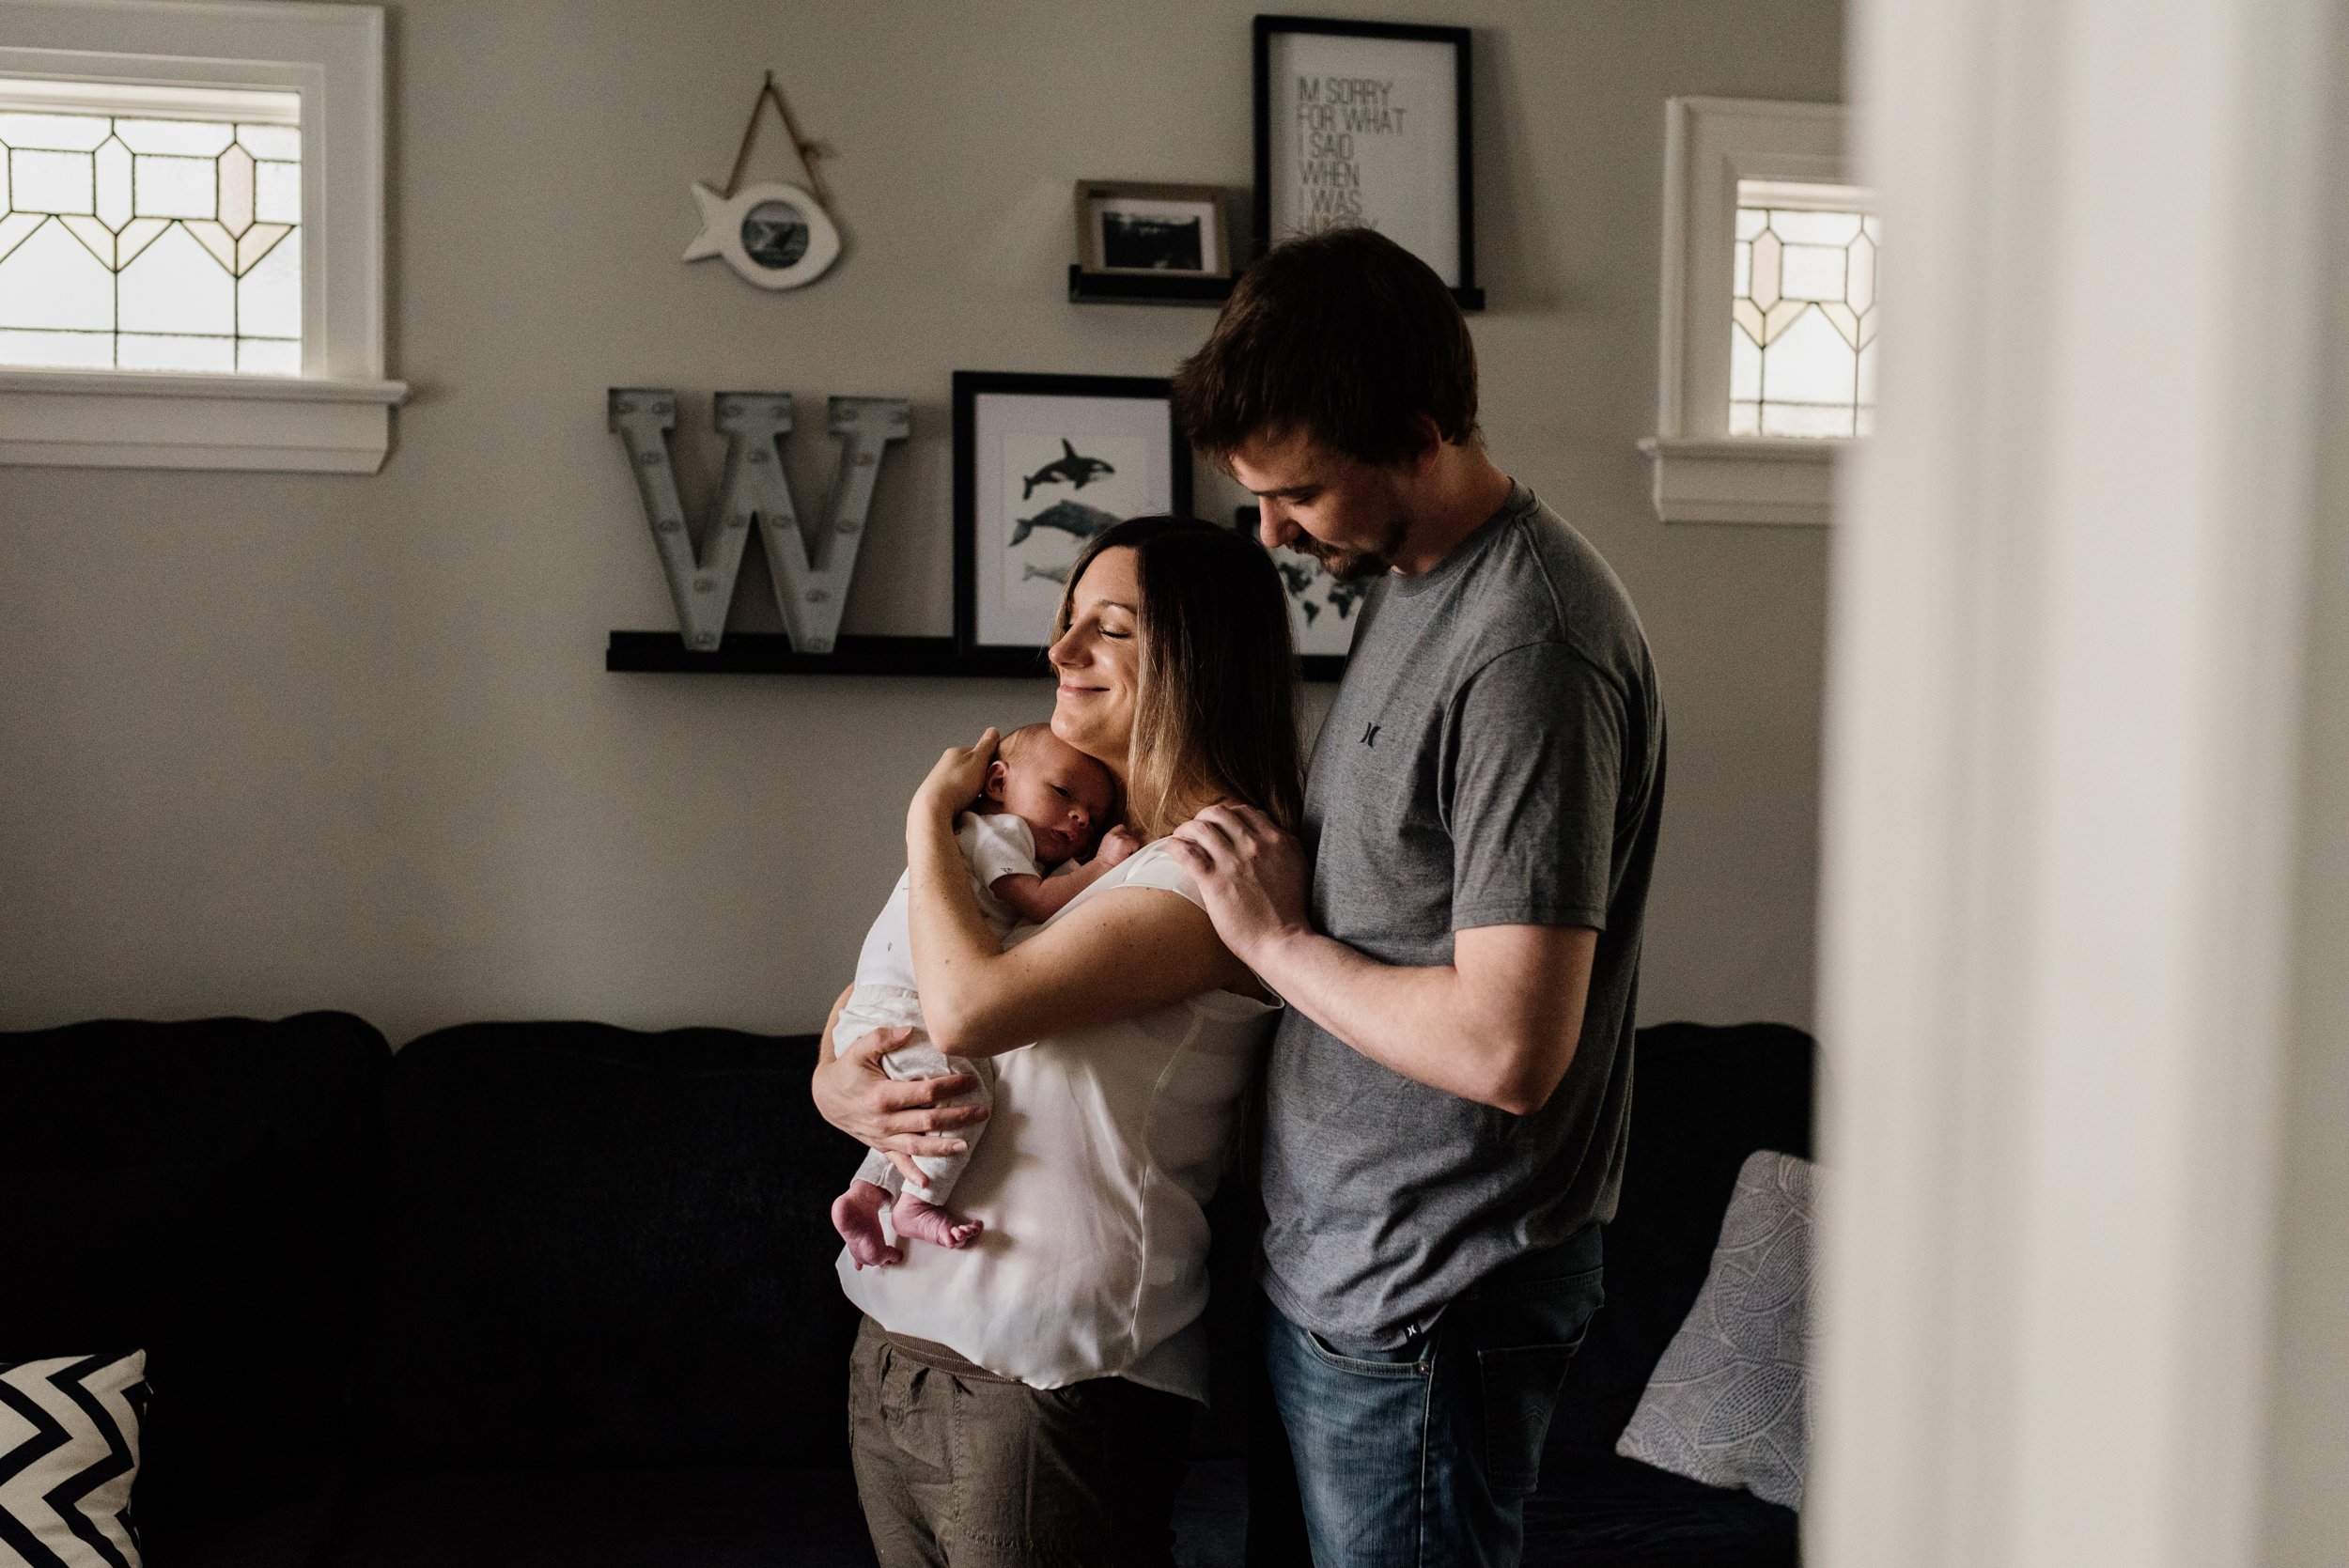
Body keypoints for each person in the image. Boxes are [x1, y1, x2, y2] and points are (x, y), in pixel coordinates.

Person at [1162, 226, 1667, 1568]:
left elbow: (1509, 1047)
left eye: (1302, 494)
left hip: (1433, 1305)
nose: (1273, 531)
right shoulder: (1410, 577)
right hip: (1339, 1279)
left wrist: (1270, 938)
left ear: (1423, 432)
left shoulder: (1529, 648)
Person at [810, 517, 1304, 1568]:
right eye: (1065, 624)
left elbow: (969, 1007)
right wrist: (835, 1085)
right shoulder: (1065, 842)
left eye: (1108, 629)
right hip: (898, 1342)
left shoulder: (1212, 868)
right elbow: (883, 983)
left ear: (1198, 656)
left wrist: (922, 821)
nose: (1061, 653)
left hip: (1048, 1374)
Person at [829, 722, 1138, 1268]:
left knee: (916, 1109)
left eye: (1092, 814)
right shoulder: (998, 834)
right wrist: (1103, 866)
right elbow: (1041, 902)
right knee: (964, 1094)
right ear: (997, 782)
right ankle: (918, 1205)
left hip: (877, 1009)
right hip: (910, 1008)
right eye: (1064, 794)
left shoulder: (976, 844)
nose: (1081, 818)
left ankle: (867, 1194)